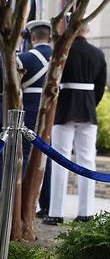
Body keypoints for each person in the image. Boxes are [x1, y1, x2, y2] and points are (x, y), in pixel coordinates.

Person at [44, 23, 107, 225]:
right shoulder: (97, 53)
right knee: (87, 161)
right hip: (88, 109)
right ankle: (86, 213)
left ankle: (55, 212)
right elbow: (100, 88)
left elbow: (51, 82)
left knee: (59, 160)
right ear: (87, 31)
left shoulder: (62, 51)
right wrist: (89, 103)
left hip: (64, 109)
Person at [16, 20, 54, 218]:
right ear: (49, 37)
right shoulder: (60, 58)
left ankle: (23, 203)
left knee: (27, 158)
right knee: (46, 158)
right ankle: (46, 205)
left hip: (30, 113)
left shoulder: (25, 59)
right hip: (53, 115)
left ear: (32, 38)